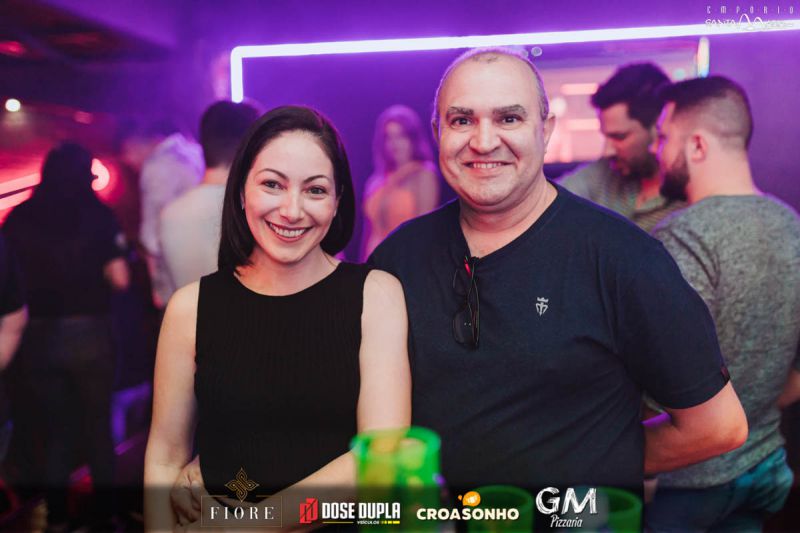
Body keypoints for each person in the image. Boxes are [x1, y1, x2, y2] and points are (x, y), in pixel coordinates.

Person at [169, 48, 748, 526]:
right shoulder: (397, 258)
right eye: (462, 120)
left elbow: (718, 426)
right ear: (438, 132)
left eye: (509, 118)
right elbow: (341, 404)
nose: (483, 140)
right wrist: (228, 455)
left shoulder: (622, 258)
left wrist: (593, 467)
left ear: (546, 131)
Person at [144, 106, 411, 531]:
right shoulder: (190, 308)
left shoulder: (376, 296)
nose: (291, 210)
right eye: (272, 184)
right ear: (241, 192)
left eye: (315, 190)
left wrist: (244, 526)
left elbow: (380, 455)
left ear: (337, 201)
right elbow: (164, 457)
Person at [645, 76, 800, 531]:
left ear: (696, 144)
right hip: (765, 464)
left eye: (662, 137)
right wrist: (753, 403)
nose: (656, 150)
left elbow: (655, 384)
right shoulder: (791, 223)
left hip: (688, 484)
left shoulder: (683, 236)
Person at [3, 142, 130, 530]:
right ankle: (107, 517)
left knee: (56, 430)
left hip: (36, 337)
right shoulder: (99, 214)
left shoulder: (19, 218)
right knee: (97, 427)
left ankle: (56, 518)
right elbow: (120, 279)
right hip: (89, 333)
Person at [558, 63, 685, 231]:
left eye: (619, 137)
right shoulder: (604, 173)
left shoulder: (686, 197)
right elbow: (554, 201)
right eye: (606, 136)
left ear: (658, 127)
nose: (607, 151)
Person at [160, 100, 261, 297]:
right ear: (252, 148)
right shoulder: (252, 208)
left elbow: (163, 295)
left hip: (189, 317)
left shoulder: (170, 214)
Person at [120, 121, 204, 308]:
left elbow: (151, 236)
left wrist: (156, 287)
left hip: (175, 277)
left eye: (127, 153)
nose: (129, 162)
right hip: (208, 268)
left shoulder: (156, 166)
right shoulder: (196, 153)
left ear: (135, 144)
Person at [360, 104, 439, 259]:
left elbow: (423, 230)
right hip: (372, 261)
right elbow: (369, 234)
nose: (394, 143)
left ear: (412, 139)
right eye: (388, 137)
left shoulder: (423, 174)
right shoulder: (376, 181)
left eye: (401, 136)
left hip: (405, 259)